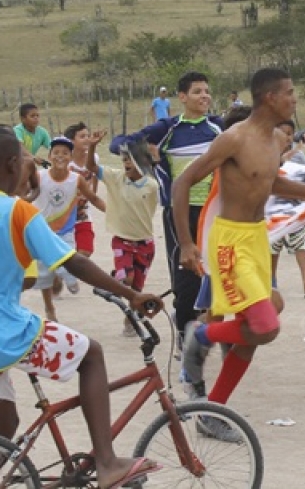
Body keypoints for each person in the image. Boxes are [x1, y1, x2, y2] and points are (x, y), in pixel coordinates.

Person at [0, 126, 163, 489]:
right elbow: (73, 262)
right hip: (7, 333)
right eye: (25, 160)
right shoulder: (18, 211)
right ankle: (108, 462)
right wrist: (131, 295)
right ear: (12, 164)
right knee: (92, 355)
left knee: (2, 427)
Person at [175, 69, 305, 438]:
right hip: (230, 243)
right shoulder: (234, 139)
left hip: (255, 240)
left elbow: (270, 181)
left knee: (260, 323)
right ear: (270, 97)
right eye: (290, 92)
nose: (295, 99)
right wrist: (186, 243)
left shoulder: (274, 140)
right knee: (265, 327)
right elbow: (183, 182)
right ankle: (201, 336)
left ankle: (211, 412)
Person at [109, 71, 223, 386]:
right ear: (182, 97)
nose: (204, 96)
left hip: (214, 213)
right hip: (179, 213)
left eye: (207, 91)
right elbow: (119, 144)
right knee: (186, 282)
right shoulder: (168, 128)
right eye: (197, 91)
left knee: (214, 278)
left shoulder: (218, 128)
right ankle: (185, 335)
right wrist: (146, 154)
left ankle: (197, 330)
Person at [87, 130, 160, 336]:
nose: (126, 163)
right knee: (127, 280)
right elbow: (91, 167)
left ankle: (130, 320)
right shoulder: (115, 178)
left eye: (130, 159)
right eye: (124, 159)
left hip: (145, 243)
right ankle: (118, 278)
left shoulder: (152, 185)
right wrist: (92, 146)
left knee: (136, 289)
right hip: (122, 241)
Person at [34, 136, 106, 321]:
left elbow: (93, 198)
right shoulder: (39, 176)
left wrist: (112, 212)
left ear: (70, 157)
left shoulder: (76, 180)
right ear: (49, 156)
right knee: (44, 274)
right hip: (42, 231)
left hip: (65, 231)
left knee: (66, 261)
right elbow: (25, 192)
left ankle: (69, 277)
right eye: (56, 152)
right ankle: (49, 308)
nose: (60, 156)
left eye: (65, 153)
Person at [270, 120, 305, 299]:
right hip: (274, 210)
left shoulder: (299, 157)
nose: (286, 137)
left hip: (294, 208)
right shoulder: (267, 155)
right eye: (282, 133)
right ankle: (271, 281)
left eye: (290, 133)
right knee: (273, 248)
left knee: (300, 245)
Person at [66, 122, 99, 261]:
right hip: (65, 214)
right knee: (66, 252)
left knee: (86, 250)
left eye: (87, 135)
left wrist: (93, 196)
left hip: (83, 213)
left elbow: (95, 176)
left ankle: (73, 269)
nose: (86, 139)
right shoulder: (66, 163)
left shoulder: (94, 158)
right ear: (71, 141)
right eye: (82, 136)